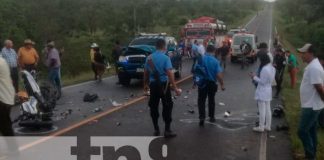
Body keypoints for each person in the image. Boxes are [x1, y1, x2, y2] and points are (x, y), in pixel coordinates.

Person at [143, 39, 182, 138]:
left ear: (156, 47)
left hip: (153, 86)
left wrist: (145, 84)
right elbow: (170, 73)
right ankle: (167, 130)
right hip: (164, 86)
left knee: (153, 106)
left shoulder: (149, 58)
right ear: (164, 47)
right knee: (167, 106)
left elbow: (146, 73)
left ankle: (156, 129)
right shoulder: (165, 58)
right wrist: (175, 87)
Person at [297, 43, 324, 160]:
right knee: (311, 130)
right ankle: (311, 153)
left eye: (303, 53)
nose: (301, 55)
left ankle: (310, 155)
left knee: (302, 131)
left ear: (310, 53)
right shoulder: (313, 65)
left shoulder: (314, 68)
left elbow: (319, 87)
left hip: (312, 106)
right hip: (311, 104)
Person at [194, 45, 225, 127]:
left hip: (202, 83)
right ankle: (211, 116)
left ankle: (201, 117)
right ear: (214, 51)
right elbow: (218, 74)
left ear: (206, 50)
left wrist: (196, 82)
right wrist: (222, 84)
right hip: (211, 83)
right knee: (211, 100)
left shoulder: (201, 59)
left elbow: (195, 70)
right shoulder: (215, 61)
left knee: (201, 100)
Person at [249, 53, 276, 132]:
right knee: (268, 109)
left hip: (263, 90)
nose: (259, 61)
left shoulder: (264, 69)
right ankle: (268, 126)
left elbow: (262, 81)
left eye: (260, 60)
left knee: (262, 110)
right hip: (268, 89)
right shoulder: (272, 68)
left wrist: (253, 76)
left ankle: (261, 127)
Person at [0, 56, 15, 136]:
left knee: (5, 127)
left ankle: (13, 148)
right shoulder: (2, 60)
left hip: (2, 99)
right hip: (7, 96)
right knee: (5, 126)